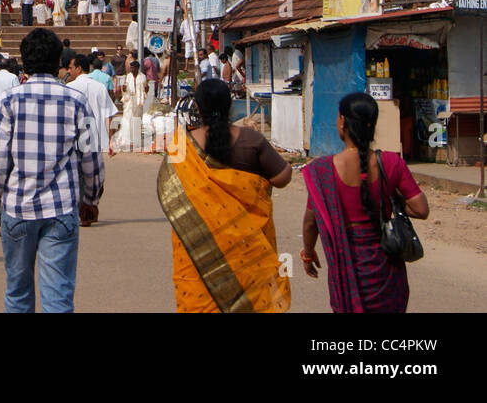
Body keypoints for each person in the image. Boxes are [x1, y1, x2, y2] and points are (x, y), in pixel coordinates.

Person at [0, 29, 103, 313]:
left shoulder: (9, 102)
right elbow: (91, 156)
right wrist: (92, 198)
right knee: (58, 297)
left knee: (18, 293)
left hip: (18, 207)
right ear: (58, 60)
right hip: (60, 209)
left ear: (24, 61)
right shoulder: (76, 101)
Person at [158, 77, 292, 312]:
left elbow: (172, 194)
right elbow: (283, 178)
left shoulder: (182, 145)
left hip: (199, 253)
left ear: (197, 107)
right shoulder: (253, 140)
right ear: (229, 104)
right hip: (247, 248)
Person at [301, 92, 429, 313]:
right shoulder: (391, 162)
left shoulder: (323, 170)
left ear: (342, 122)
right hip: (387, 274)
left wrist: (308, 253)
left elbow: (311, 222)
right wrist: (393, 200)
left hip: (348, 271)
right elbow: (421, 209)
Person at [64, 54, 119, 225]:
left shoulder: (69, 87)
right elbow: (108, 115)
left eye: (71, 68)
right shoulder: (100, 87)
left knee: (78, 174)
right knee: (94, 173)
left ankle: (82, 208)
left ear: (79, 68)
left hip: (75, 137)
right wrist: (110, 139)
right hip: (96, 137)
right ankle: (89, 206)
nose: (69, 71)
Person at [115, 60, 152, 152]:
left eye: (133, 67)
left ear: (137, 68)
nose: (131, 69)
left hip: (138, 102)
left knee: (137, 119)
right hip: (129, 102)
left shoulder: (142, 77)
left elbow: (146, 89)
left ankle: (135, 140)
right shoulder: (128, 77)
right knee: (127, 118)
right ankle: (126, 140)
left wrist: (146, 90)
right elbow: (125, 88)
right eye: (130, 67)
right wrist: (124, 89)